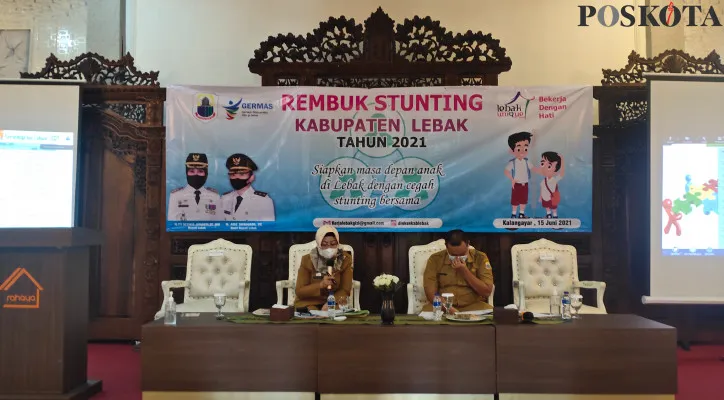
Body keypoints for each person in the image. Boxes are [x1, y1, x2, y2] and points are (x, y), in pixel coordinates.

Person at [422, 229, 494, 312]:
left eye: (462, 254)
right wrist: (448, 308)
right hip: (443, 306)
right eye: (453, 255)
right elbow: (431, 293)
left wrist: (464, 271)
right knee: (425, 318)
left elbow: (486, 292)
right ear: (446, 246)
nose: (457, 258)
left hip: (473, 305)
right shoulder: (435, 259)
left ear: (468, 245)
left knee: (491, 319)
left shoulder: (480, 258)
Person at [294, 225, 353, 310]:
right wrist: (321, 285)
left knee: (334, 315)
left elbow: (345, 289)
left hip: (334, 301)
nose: (329, 248)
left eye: (333, 244)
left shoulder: (345, 259)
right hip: (309, 302)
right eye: (324, 244)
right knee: (313, 315)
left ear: (338, 243)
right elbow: (300, 291)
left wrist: (331, 302)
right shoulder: (307, 260)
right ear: (318, 244)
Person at [220, 153, 275, 221]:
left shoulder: (263, 201)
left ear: (251, 177)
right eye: (233, 175)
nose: (237, 177)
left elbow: (267, 229)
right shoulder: (224, 198)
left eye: (242, 174)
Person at [167, 153, 221, 221]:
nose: (196, 175)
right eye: (192, 171)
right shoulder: (175, 196)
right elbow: (172, 224)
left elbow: (219, 224)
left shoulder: (215, 196)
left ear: (206, 174)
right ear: (187, 173)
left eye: (200, 171)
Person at [504, 131, 540, 219]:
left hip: (525, 184)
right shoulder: (513, 163)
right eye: (519, 149)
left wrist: (542, 170)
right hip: (516, 185)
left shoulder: (527, 162)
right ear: (512, 150)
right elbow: (506, 171)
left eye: (526, 148)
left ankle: (521, 214)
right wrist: (512, 179)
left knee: (523, 200)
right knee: (515, 201)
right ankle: (513, 215)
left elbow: (534, 169)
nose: (523, 151)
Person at [537, 151, 565, 218]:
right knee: (546, 206)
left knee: (553, 208)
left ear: (555, 168)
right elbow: (542, 189)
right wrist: (540, 197)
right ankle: (548, 215)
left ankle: (555, 216)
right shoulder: (543, 181)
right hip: (544, 197)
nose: (544, 168)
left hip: (552, 198)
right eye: (542, 164)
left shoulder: (554, 180)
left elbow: (562, 174)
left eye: (549, 166)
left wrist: (562, 161)